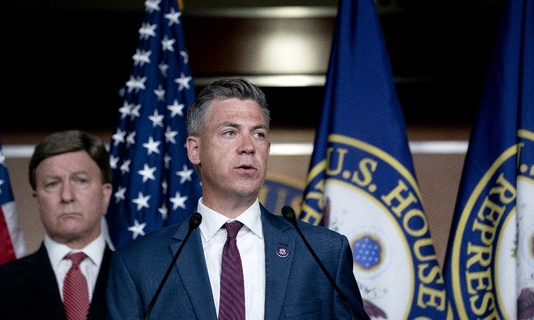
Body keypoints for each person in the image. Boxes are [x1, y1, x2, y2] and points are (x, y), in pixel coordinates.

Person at [106, 78, 369, 319]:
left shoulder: (324, 254)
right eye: (230, 132)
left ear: (267, 149)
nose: (248, 146)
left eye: (258, 134)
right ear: (195, 150)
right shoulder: (139, 264)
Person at [0, 130, 114, 320]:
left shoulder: (146, 283)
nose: (67, 196)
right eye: (52, 184)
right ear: (38, 200)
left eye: (81, 180)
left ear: (105, 195)